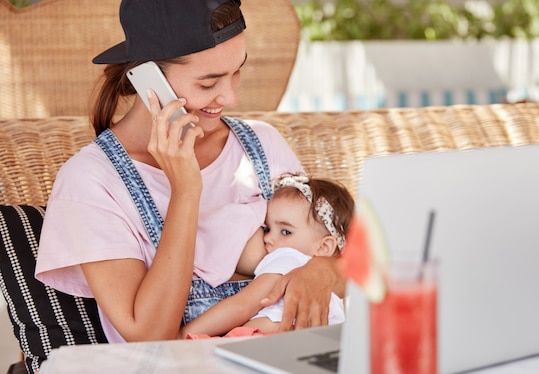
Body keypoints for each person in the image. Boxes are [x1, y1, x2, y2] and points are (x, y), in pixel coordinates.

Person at [34, 0, 344, 344]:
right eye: (208, 83)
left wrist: (321, 271)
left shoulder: (261, 143)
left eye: (236, 71)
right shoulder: (91, 181)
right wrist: (186, 190)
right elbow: (151, 337)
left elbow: (348, 262)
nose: (229, 96)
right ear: (146, 80)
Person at [179, 173, 355, 337]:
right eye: (268, 228)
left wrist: (183, 335)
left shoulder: (288, 258)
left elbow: (242, 306)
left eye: (285, 232)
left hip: (263, 339)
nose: (268, 238)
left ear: (324, 247)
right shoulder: (327, 286)